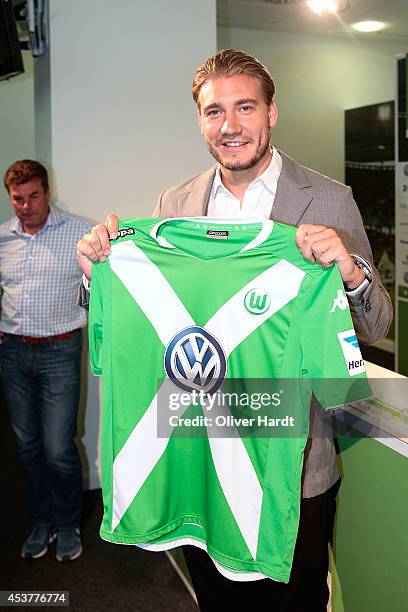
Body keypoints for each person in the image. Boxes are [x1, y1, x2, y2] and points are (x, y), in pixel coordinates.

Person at [76, 50, 392, 610]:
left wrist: (349, 272)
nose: (230, 126)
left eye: (245, 107)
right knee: (216, 601)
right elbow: (142, 321)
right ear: (200, 120)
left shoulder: (329, 198)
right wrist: (95, 274)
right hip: (202, 452)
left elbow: (377, 322)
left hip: (292, 462)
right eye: (213, 111)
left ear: (272, 113)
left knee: (294, 601)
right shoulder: (174, 204)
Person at [0, 160, 92, 562]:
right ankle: (42, 521)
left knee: (58, 448)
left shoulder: (79, 233)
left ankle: (69, 522)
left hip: (60, 351)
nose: (25, 205)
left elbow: (97, 288)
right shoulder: (2, 238)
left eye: (33, 196)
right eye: (17, 198)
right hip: (13, 353)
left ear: (47, 192)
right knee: (27, 447)